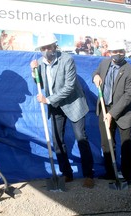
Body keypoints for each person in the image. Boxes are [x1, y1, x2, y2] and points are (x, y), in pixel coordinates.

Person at [30, 33, 95, 188]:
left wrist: (48, 100)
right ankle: (66, 174)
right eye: (43, 48)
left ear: (55, 46)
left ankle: (89, 175)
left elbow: (69, 87)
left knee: (81, 138)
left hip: (73, 103)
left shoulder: (67, 60)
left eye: (49, 47)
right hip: (56, 106)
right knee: (57, 141)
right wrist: (34, 71)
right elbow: (39, 82)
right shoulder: (39, 62)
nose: (46, 50)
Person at [92, 40, 131, 184]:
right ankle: (111, 173)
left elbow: (128, 97)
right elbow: (96, 72)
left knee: (126, 145)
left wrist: (111, 114)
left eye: (121, 52)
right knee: (106, 143)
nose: (118, 54)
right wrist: (95, 76)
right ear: (110, 52)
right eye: (115, 51)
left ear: (124, 53)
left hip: (123, 112)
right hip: (104, 107)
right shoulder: (104, 63)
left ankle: (129, 176)